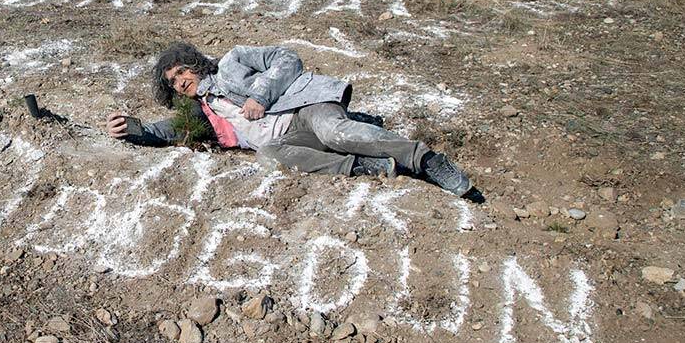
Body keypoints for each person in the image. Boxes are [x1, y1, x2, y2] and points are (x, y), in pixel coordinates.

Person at [106, 42, 473, 197]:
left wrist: (258, 95)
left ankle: (424, 159)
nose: (180, 81)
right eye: (172, 82)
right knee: (269, 155)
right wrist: (135, 129)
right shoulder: (201, 113)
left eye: (181, 71)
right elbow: (167, 131)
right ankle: (364, 166)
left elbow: (287, 59)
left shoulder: (233, 62)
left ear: (194, 62)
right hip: (288, 140)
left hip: (305, 108)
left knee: (335, 131)